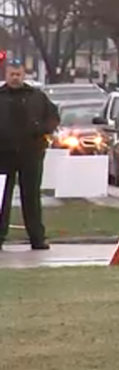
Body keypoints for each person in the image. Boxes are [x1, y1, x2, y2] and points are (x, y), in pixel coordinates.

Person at [0, 63, 60, 250]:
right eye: (12, 74)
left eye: (18, 74)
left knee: (32, 197)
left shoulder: (37, 97)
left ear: (23, 75)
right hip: (3, 154)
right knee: (2, 198)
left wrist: (41, 130)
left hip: (31, 153)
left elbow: (53, 117)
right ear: (6, 75)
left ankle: (37, 238)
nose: (15, 77)